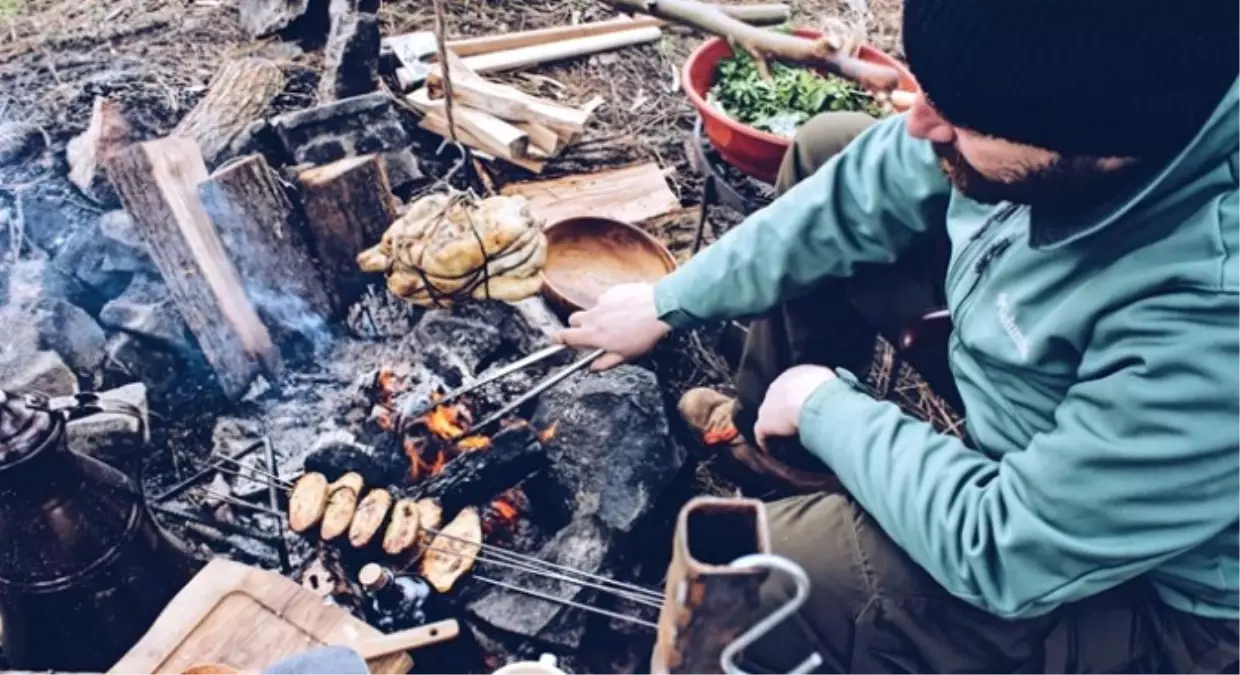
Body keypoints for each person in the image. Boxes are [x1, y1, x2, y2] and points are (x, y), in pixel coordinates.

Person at [555, 0, 1240, 672]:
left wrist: (829, 409)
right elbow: (864, 186)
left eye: (960, 114)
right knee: (828, 149)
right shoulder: (1077, 105)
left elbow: (1007, 547)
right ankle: (776, 456)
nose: (917, 121)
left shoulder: (1213, 307)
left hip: (1151, 594)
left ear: (1099, 141)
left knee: (758, 573)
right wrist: (668, 300)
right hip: (1037, 367)